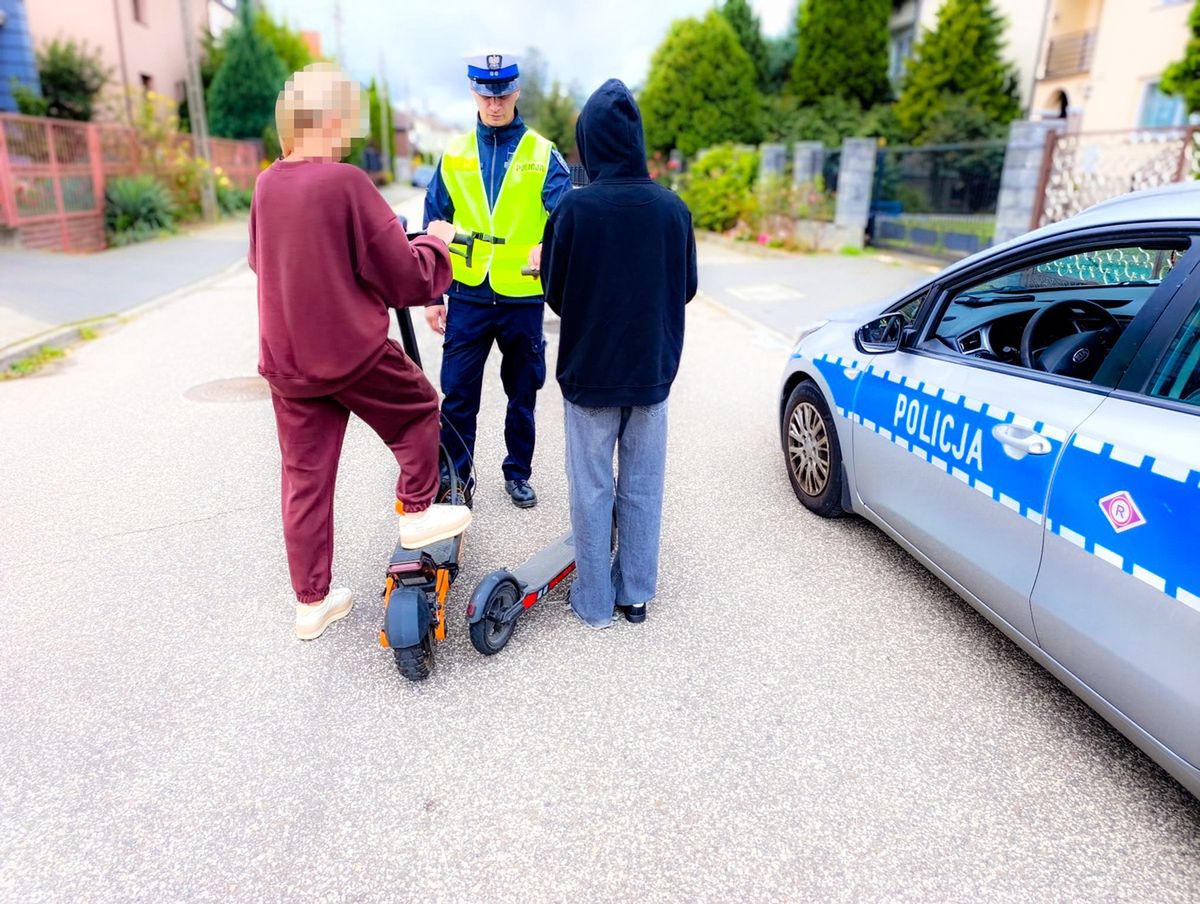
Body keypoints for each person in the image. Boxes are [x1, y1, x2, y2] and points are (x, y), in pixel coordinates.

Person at [249, 63, 472, 641]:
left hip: (288, 362)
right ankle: (419, 511)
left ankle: (311, 602)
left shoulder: (267, 183)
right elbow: (405, 278)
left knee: (304, 479)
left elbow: (264, 261)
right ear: (327, 119)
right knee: (420, 407)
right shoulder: (344, 182)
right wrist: (434, 242)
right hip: (349, 352)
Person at [540, 79, 697, 630]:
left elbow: (555, 294)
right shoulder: (673, 211)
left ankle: (595, 600)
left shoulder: (572, 213)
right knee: (642, 484)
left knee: (591, 487)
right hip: (652, 372)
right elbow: (687, 288)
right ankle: (636, 596)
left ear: (590, 142)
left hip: (590, 374)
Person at [423, 52, 573, 509]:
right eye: (486, 95)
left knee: (522, 394)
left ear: (517, 92)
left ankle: (517, 472)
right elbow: (432, 225)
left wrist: (552, 245)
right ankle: (456, 480)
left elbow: (568, 217)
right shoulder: (454, 154)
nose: (494, 103)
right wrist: (432, 296)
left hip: (522, 297)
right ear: (473, 93)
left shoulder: (541, 153)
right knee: (458, 395)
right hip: (467, 294)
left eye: (503, 94)